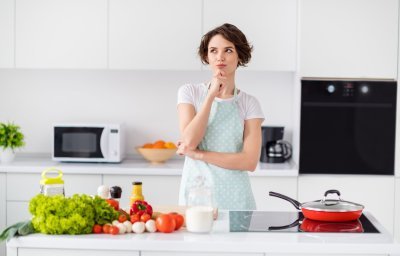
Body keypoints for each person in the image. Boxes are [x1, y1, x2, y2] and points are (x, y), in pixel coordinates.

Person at [176, 23, 264, 210]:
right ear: (206, 56)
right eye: (213, 50)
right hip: (197, 197)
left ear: (239, 55)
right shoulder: (190, 93)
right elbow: (189, 141)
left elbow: (249, 161)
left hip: (237, 200)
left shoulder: (249, 103)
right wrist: (210, 97)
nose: (220, 57)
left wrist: (198, 154)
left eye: (228, 50)